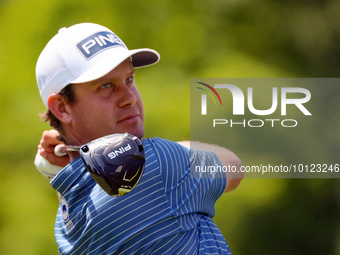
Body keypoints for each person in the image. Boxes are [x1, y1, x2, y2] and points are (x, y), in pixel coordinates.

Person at [35, 22, 243, 254]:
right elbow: (233, 165)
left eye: (129, 80)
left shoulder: (66, 219)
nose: (130, 98)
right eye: (106, 86)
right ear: (62, 108)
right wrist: (170, 150)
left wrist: (71, 155)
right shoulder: (156, 165)